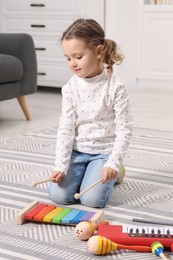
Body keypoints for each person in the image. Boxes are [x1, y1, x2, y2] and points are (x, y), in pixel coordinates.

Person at [48, 18, 133, 208]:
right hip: (78, 152)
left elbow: (125, 129)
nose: (72, 63)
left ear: (99, 51)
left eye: (78, 57)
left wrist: (112, 163)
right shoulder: (70, 88)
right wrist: (61, 166)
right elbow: (66, 129)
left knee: (91, 200)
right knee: (59, 197)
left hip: (104, 153)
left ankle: (117, 170)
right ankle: (87, 171)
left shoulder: (116, 86)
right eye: (68, 58)